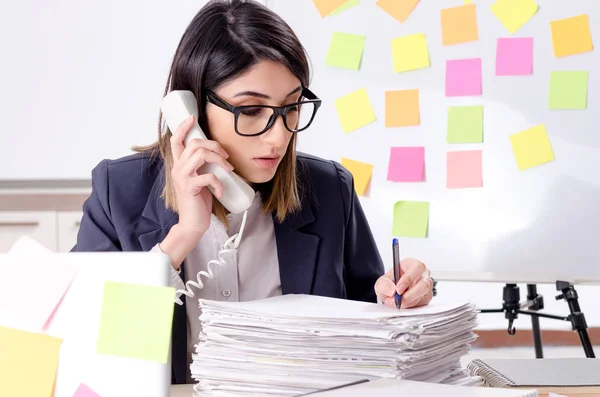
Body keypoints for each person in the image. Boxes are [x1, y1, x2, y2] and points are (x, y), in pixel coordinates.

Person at [72, 0, 434, 384]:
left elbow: (369, 324)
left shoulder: (330, 190)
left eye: (292, 107)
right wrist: (183, 236)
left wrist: (402, 295)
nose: (279, 137)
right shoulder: (119, 192)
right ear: (191, 110)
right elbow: (86, 344)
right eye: (250, 110)